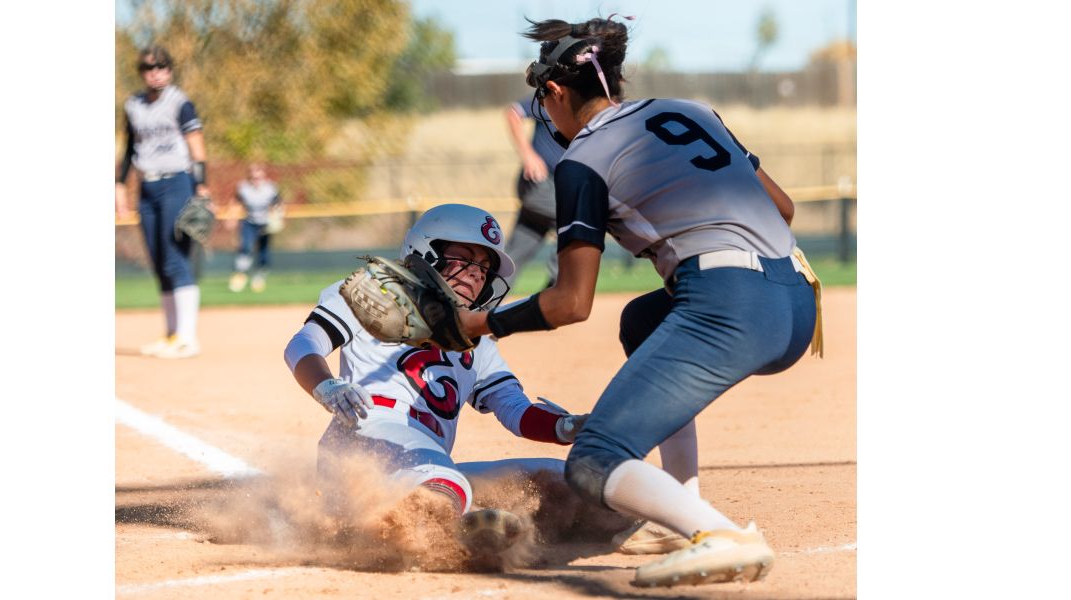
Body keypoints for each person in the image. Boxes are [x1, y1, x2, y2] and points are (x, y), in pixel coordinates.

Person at [453, 17, 820, 587]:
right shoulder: (696, 111)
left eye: (543, 103)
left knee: (595, 460)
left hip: (733, 307)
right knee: (643, 321)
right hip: (795, 301)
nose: (546, 116)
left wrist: (485, 323)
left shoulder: (582, 160)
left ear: (553, 92)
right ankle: (683, 512)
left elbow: (571, 302)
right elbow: (785, 208)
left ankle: (717, 535)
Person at [283, 203, 618, 562]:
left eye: (485, 267)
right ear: (425, 251)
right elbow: (303, 344)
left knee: (568, 478)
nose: (477, 273)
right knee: (442, 477)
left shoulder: (479, 340)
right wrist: (326, 386)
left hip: (424, 461)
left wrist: (568, 427)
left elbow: (516, 411)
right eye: (465, 258)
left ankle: (603, 525)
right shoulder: (374, 294)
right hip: (364, 444)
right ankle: (433, 542)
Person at [116, 45, 209, 359]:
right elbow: (130, 148)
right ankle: (171, 335)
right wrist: (119, 185)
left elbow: (196, 146)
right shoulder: (134, 105)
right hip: (147, 186)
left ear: (169, 70)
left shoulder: (180, 102)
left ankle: (187, 337)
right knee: (158, 262)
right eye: (148, 68)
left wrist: (202, 186)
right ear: (141, 72)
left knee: (174, 258)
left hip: (177, 182)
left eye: (161, 67)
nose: (155, 73)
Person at [502, 98, 563, 288]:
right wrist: (527, 154)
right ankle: (557, 292)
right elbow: (513, 111)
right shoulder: (557, 96)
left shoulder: (594, 104)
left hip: (560, 188)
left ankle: (475, 307)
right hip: (539, 183)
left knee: (514, 254)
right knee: (578, 222)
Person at [227, 164, 283, 293]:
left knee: (263, 251)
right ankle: (240, 275)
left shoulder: (270, 188)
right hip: (249, 222)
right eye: (253, 178)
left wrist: (277, 218)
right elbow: (236, 202)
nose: (256, 180)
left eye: (259, 177)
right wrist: (231, 218)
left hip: (265, 223)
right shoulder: (243, 188)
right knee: (245, 247)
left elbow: (278, 203)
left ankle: (259, 277)